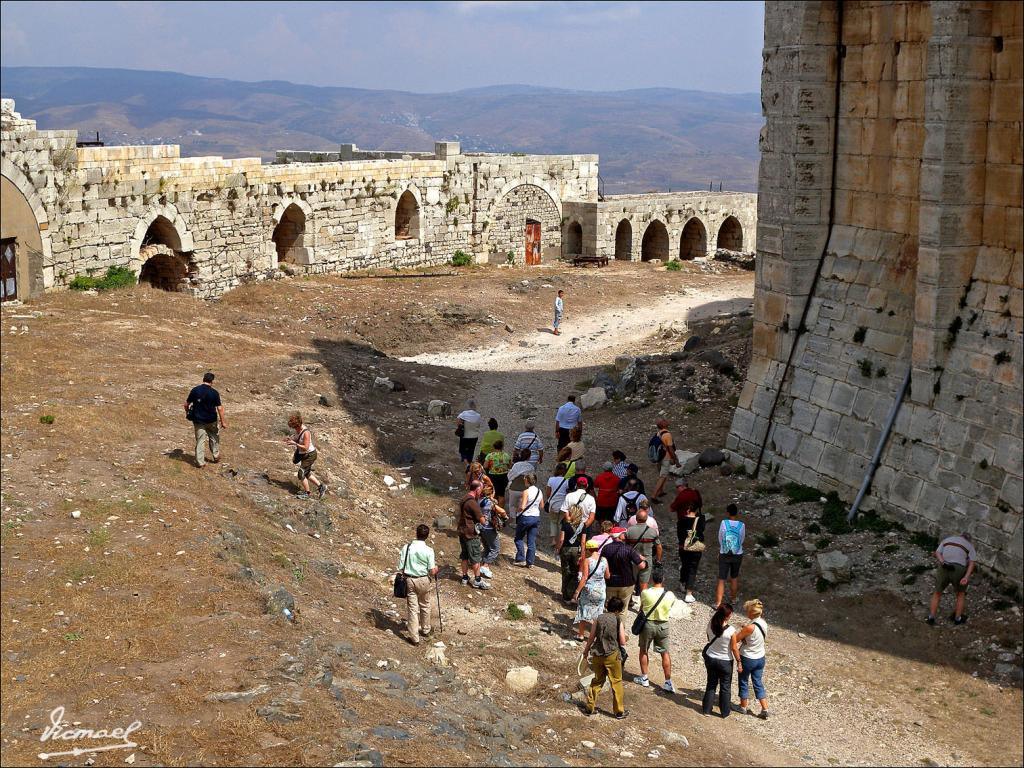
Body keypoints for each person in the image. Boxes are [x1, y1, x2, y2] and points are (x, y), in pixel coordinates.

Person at [582, 596, 628, 719]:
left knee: (597, 680)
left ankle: (589, 707)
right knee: (616, 681)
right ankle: (619, 711)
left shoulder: (598, 618)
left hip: (597, 654)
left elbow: (591, 637)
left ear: (607, 606)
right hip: (612, 654)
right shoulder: (618, 620)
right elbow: (623, 641)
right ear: (618, 610)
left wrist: (586, 652)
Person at [634, 568, 677, 693]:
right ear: (663, 579)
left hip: (648, 624)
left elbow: (642, 607)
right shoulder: (670, 595)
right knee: (665, 653)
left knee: (643, 650)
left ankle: (645, 677)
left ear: (652, 579)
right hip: (663, 625)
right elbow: (670, 607)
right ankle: (668, 682)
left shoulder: (645, 593)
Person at [395, 524, 439, 645]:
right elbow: (431, 570)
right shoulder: (429, 550)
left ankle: (414, 638)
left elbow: (400, 566)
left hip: (410, 580)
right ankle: (425, 629)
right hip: (424, 579)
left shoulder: (407, 547)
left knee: (413, 609)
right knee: (425, 604)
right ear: (427, 536)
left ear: (416, 533)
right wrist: (436, 569)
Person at [927, 533, 978, 626]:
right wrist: (966, 577)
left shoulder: (948, 539)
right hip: (959, 568)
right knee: (960, 594)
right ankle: (957, 619)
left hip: (944, 566)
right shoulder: (970, 545)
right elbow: (972, 562)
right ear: (969, 540)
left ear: (960, 536)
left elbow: (937, 552)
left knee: (937, 592)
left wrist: (943, 562)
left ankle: (931, 618)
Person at [733, 598, 769, 718]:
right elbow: (755, 637)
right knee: (758, 682)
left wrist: (743, 630)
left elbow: (736, 639)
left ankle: (743, 706)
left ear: (751, 613)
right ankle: (765, 709)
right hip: (760, 657)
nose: (746, 613)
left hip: (748, 658)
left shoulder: (749, 628)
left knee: (743, 681)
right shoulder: (763, 623)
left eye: (747, 611)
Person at [702, 602, 738, 717]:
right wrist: (739, 661)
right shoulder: (731, 630)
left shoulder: (711, 624)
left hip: (711, 658)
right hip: (725, 661)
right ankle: (724, 712)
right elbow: (733, 648)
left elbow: (708, 638)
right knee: (725, 687)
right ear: (727, 615)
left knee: (711, 684)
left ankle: (706, 710)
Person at [185, 371, 226, 468]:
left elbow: (186, 404)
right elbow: (220, 408)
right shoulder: (214, 393)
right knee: (214, 437)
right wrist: (223, 422)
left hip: (198, 421)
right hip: (211, 420)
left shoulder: (195, 390)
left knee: (200, 440)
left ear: (203, 379)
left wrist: (187, 412)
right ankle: (216, 456)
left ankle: (200, 462)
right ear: (212, 381)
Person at [573, 539, 609, 641]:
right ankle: (594, 637)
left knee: (583, 610)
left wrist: (577, 592)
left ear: (588, 549)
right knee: (597, 615)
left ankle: (580, 635)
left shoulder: (587, 560)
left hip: (589, 590)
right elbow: (607, 575)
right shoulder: (604, 560)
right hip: (601, 590)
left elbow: (584, 577)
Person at [603, 527, 646, 615]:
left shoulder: (605, 548)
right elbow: (641, 566)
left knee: (610, 607)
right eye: (623, 534)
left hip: (610, 582)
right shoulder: (628, 549)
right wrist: (645, 561)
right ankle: (620, 627)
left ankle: (610, 626)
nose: (625, 535)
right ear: (619, 536)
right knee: (623, 609)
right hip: (626, 583)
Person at [285, 412, 327, 500]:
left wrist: (295, 443)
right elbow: (298, 437)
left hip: (310, 455)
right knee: (306, 473)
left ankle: (307, 493)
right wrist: (291, 439)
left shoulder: (306, 432)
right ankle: (321, 487)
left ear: (298, 424)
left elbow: (305, 447)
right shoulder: (299, 430)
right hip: (305, 455)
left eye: (295, 427)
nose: (294, 429)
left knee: (301, 473)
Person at [458, 481, 491, 590]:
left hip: (462, 531)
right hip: (470, 533)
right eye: (480, 489)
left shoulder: (464, 498)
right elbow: (482, 521)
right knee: (476, 557)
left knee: (465, 556)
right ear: (477, 489)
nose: (481, 492)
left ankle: (464, 577)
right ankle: (477, 580)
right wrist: (485, 518)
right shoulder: (472, 502)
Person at [626, 505, 662, 597]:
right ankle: (642, 608)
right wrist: (658, 560)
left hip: (632, 560)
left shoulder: (629, 531)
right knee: (644, 583)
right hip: (647, 560)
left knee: (630, 581)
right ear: (646, 519)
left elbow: (625, 546)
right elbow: (659, 547)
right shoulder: (652, 532)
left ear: (636, 519)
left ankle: (629, 601)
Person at [715, 504, 745, 607]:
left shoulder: (724, 523)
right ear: (736, 513)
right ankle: (733, 599)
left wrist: (723, 548)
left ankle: (718, 603)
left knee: (722, 578)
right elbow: (742, 540)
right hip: (737, 554)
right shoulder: (742, 525)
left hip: (725, 553)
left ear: (727, 512)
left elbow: (720, 537)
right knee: (734, 577)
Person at [557, 504, 588, 601]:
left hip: (566, 549)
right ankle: (573, 595)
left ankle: (565, 595)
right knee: (575, 573)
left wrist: (558, 549)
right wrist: (583, 555)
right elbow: (583, 542)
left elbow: (561, 539)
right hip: (577, 551)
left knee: (566, 572)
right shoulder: (583, 526)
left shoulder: (565, 524)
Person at [677, 501, 706, 603]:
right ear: (697, 510)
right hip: (695, 547)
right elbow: (702, 530)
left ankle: (682, 582)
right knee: (692, 569)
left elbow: (679, 534)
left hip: (683, 547)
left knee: (685, 564)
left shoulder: (681, 520)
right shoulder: (701, 519)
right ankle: (688, 594)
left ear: (688, 509)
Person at [513, 474, 544, 568]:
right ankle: (530, 562)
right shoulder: (539, 491)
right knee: (531, 541)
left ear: (527, 480)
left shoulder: (526, 491)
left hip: (525, 517)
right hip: (535, 517)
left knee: (518, 538)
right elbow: (542, 506)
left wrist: (516, 510)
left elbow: (522, 507)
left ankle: (520, 558)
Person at [649, 419, 682, 502]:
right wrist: (676, 460)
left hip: (659, 457)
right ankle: (654, 496)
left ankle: (661, 491)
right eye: (664, 421)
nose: (666, 420)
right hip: (665, 458)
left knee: (662, 475)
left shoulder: (658, 433)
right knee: (663, 476)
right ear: (663, 425)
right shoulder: (667, 434)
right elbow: (670, 449)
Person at [479, 487, 507, 577]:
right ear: (491, 494)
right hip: (489, 528)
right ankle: (485, 565)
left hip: (480, 528)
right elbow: (502, 511)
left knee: (487, 547)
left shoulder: (478, 500)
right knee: (495, 548)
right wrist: (505, 517)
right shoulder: (489, 503)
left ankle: (482, 565)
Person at [670, 477, 704, 549]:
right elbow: (700, 504)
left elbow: (672, 508)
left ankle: (684, 556)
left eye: (677, 487)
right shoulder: (695, 492)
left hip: (684, 522)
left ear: (682, 486)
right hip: (696, 521)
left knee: (682, 541)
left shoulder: (681, 496)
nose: (677, 489)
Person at [506, 449, 536, 524]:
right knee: (522, 505)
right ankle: (520, 520)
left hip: (514, 488)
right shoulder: (531, 467)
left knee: (512, 505)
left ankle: (513, 521)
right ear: (529, 457)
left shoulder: (516, 465)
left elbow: (510, 476)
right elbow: (532, 480)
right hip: (524, 490)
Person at [545, 462, 572, 544]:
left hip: (553, 504)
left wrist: (550, 499)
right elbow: (568, 493)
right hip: (563, 505)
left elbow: (548, 493)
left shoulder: (551, 479)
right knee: (561, 523)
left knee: (553, 522)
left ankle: (553, 540)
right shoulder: (567, 481)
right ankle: (560, 540)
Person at [483, 439, 512, 505]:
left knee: (493, 493)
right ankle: (500, 510)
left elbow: (485, 466)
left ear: (494, 447)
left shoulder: (490, 456)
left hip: (492, 476)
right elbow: (510, 466)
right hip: (503, 476)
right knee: (501, 494)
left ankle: (493, 509)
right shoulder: (506, 455)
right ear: (502, 447)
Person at [456, 400, 482, 466]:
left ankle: (466, 462)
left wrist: (461, 425)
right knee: (471, 450)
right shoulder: (478, 416)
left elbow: (458, 420)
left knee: (463, 450)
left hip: (465, 435)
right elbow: (478, 425)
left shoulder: (464, 414)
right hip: (474, 436)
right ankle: (469, 462)